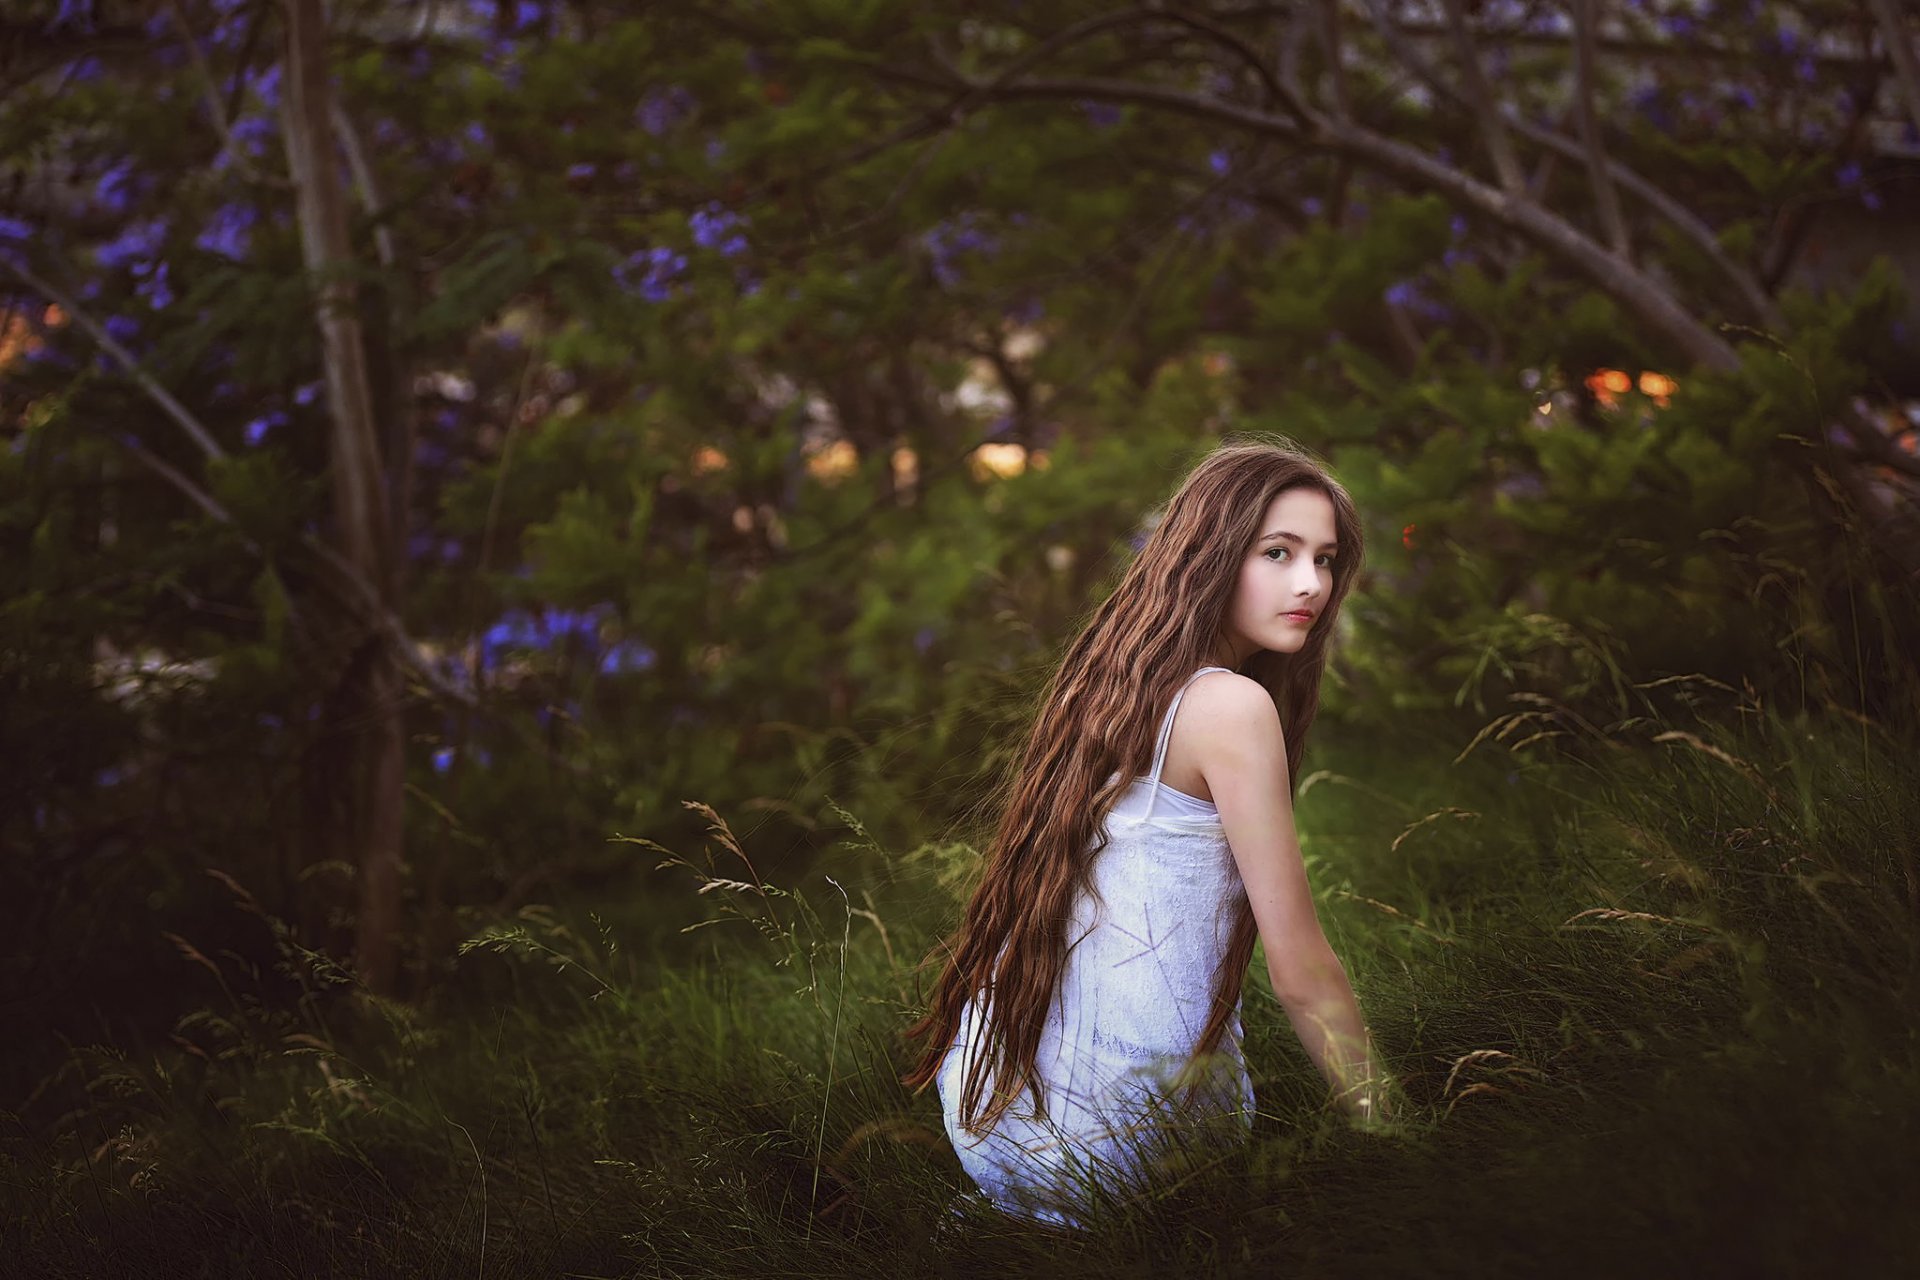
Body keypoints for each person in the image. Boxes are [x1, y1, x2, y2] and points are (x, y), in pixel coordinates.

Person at [900, 437, 1395, 1230]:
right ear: (1211, 556)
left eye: (1326, 559)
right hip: (1137, 1149)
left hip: (990, 1119)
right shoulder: (1232, 707)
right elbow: (1300, 971)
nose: (1311, 583)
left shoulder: (1107, 681)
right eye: (1278, 552)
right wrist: (1390, 1127)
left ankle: (1026, 1213)